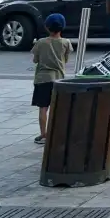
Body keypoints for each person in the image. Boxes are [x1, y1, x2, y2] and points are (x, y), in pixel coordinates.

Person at [32, 13, 71, 144]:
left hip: (42, 79)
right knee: (57, 108)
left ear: (47, 27)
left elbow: (35, 60)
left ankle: (43, 134)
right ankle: (55, 133)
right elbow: (65, 60)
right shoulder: (66, 43)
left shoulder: (40, 42)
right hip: (59, 79)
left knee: (43, 108)